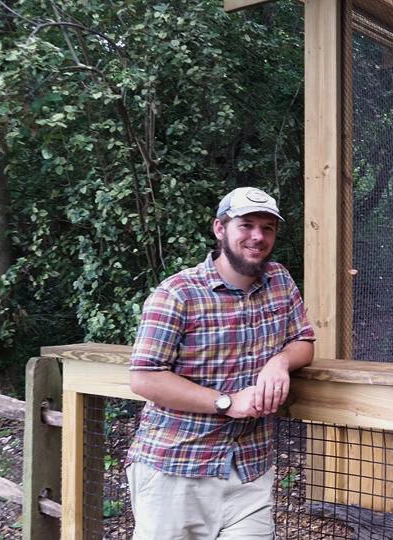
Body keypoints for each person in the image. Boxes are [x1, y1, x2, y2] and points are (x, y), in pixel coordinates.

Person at [125, 186, 315, 539]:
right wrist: (226, 403)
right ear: (219, 228)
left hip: (250, 470)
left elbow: (304, 341)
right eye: (246, 225)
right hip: (176, 470)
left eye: (267, 227)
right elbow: (144, 378)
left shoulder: (280, 281)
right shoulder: (177, 293)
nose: (258, 236)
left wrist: (279, 361)